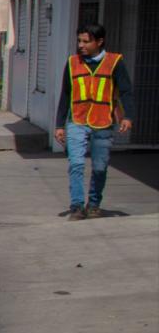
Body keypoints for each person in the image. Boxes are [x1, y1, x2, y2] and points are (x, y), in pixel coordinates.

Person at [54, 22, 134, 219]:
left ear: (99, 41)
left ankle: (94, 204)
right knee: (76, 164)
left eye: (86, 41)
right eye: (79, 41)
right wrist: (59, 125)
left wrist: (128, 117)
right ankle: (77, 206)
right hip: (77, 121)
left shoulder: (115, 62)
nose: (81, 45)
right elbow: (65, 94)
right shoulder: (72, 63)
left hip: (103, 122)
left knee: (100, 167)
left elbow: (126, 91)